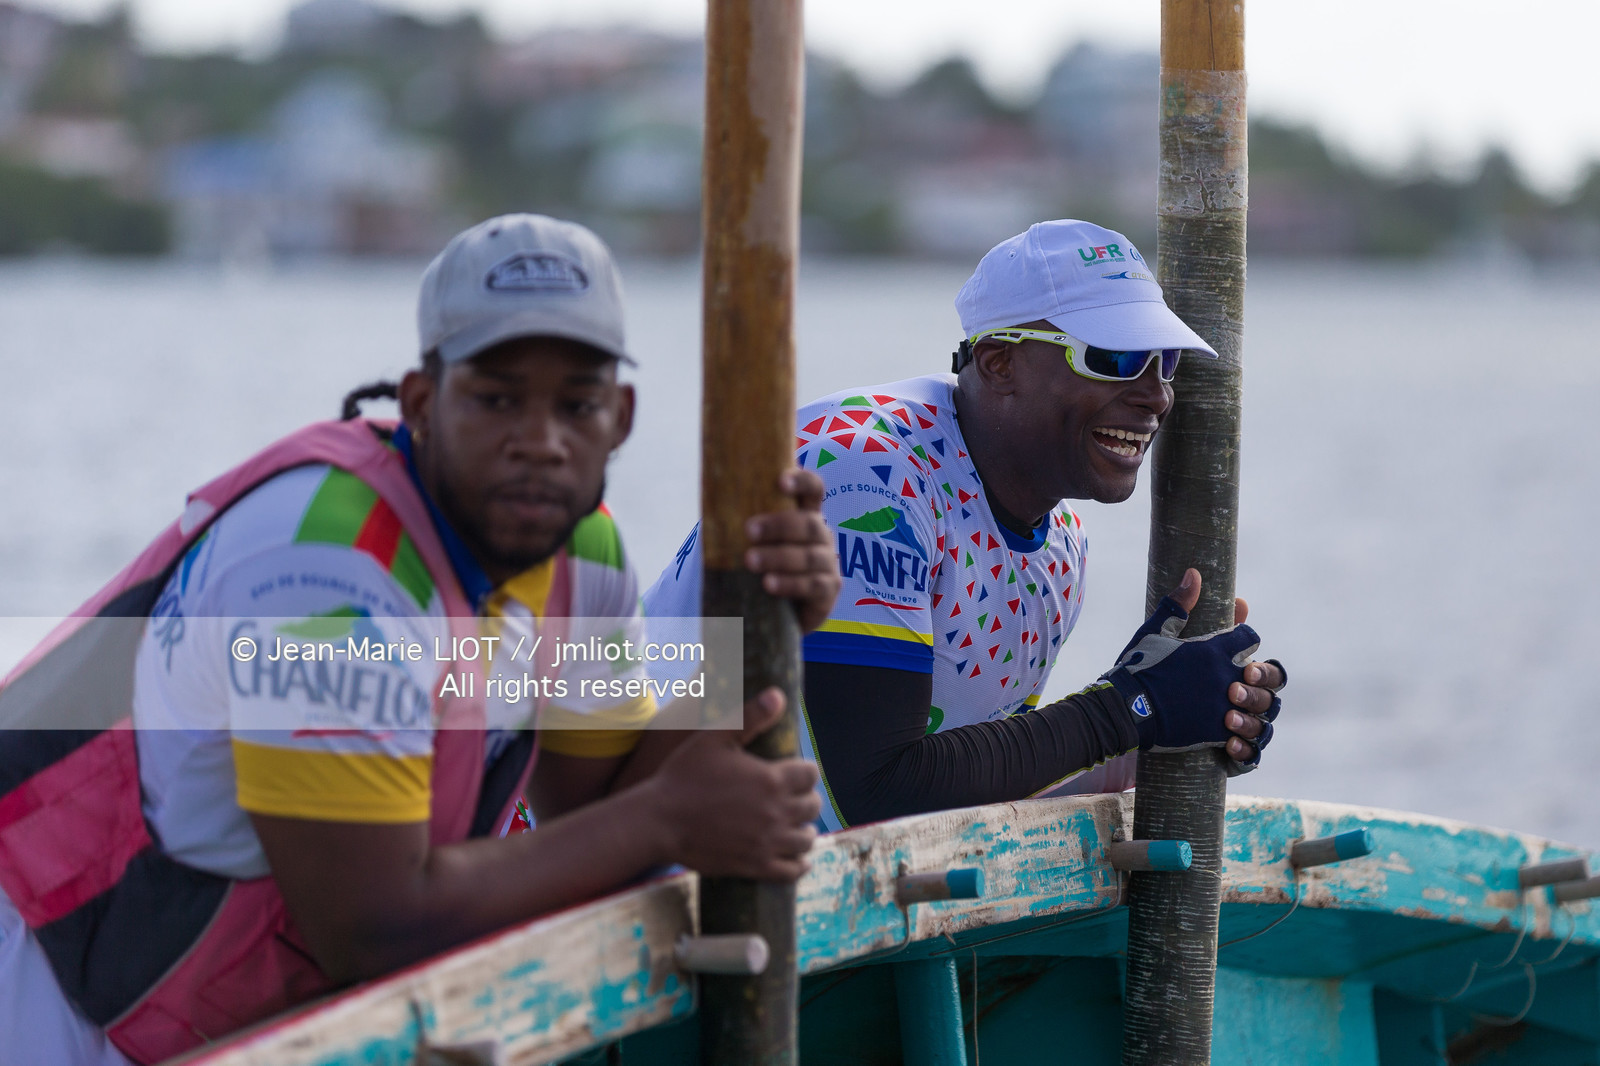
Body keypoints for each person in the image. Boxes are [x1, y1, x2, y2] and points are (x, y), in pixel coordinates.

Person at [0, 214, 840, 1066]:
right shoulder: (326, 573)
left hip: (208, 995)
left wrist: (761, 634)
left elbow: (594, 813)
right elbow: (372, 927)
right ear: (420, 404)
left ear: (619, 419)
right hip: (47, 981)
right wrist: (666, 822)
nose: (541, 443)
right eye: (497, 399)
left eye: (577, 405)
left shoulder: (583, 555)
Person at [646, 219, 1286, 830]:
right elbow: (874, 792)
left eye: (1164, 361)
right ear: (999, 363)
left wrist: (1168, 724)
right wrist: (1128, 709)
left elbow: (964, 785)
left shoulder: (1062, 545)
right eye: (1114, 357)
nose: (1156, 395)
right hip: (601, 813)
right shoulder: (868, 470)